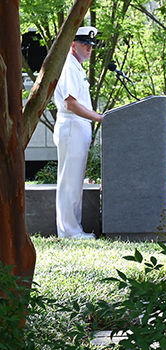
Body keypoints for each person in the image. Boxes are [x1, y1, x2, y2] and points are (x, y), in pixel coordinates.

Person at [53, 26, 104, 239]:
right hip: (72, 125)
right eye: (85, 44)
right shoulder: (69, 67)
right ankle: (69, 232)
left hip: (78, 127)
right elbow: (71, 104)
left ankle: (74, 229)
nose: (89, 48)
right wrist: (98, 117)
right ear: (73, 45)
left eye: (91, 45)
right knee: (69, 183)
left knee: (74, 182)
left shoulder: (77, 67)